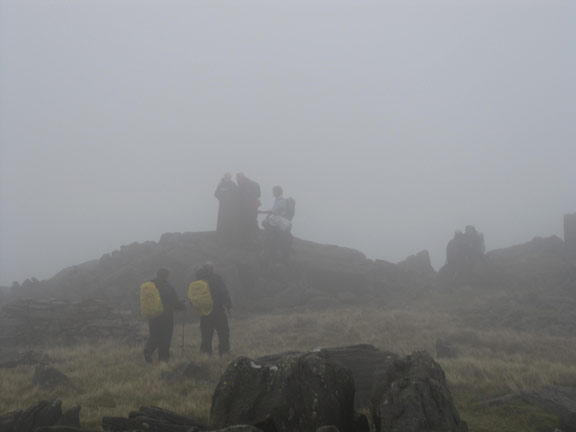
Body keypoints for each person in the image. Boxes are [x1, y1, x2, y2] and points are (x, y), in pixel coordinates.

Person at [143, 268, 186, 363]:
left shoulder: (150, 285)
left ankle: (148, 350)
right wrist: (182, 306)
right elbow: (174, 302)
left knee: (154, 335)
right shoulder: (167, 286)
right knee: (165, 337)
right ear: (167, 276)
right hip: (166, 316)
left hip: (153, 315)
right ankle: (163, 359)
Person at [195, 263, 232, 356]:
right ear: (211, 269)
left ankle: (205, 354)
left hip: (204, 311)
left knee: (206, 334)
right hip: (217, 310)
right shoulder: (216, 278)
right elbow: (223, 292)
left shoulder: (198, 280)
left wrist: (197, 308)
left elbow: (194, 296)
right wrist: (229, 306)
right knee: (223, 331)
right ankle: (224, 353)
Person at [259, 186, 293, 264]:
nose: (273, 193)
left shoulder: (281, 201)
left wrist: (263, 213)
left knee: (265, 223)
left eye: (273, 191)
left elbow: (273, 211)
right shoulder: (278, 200)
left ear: (277, 192)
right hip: (278, 220)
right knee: (266, 223)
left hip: (280, 221)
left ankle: (270, 243)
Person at [236, 173, 261, 249]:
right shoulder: (254, 184)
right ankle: (255, 239)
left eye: (237, 178)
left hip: (245, 208)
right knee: (253, 221)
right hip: (253, 207)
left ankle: (248, 242)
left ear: (240, 177)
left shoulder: (242, 185)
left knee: (246, 223)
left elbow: (238, 197)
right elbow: (259, 195)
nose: (237, 180)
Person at [214, 173, 237, 244]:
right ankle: (221, 237)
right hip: (223, 206)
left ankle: (229, 237)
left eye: (228, 177)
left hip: (231, 207)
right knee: (222, 221)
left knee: (230, 221)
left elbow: (236, 194)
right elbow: (215, 194)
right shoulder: (221, 184)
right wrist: (222, 195)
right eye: (226, 177)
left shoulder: (233, 184)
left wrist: (229, 195)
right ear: (224, 177)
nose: (227, 178)